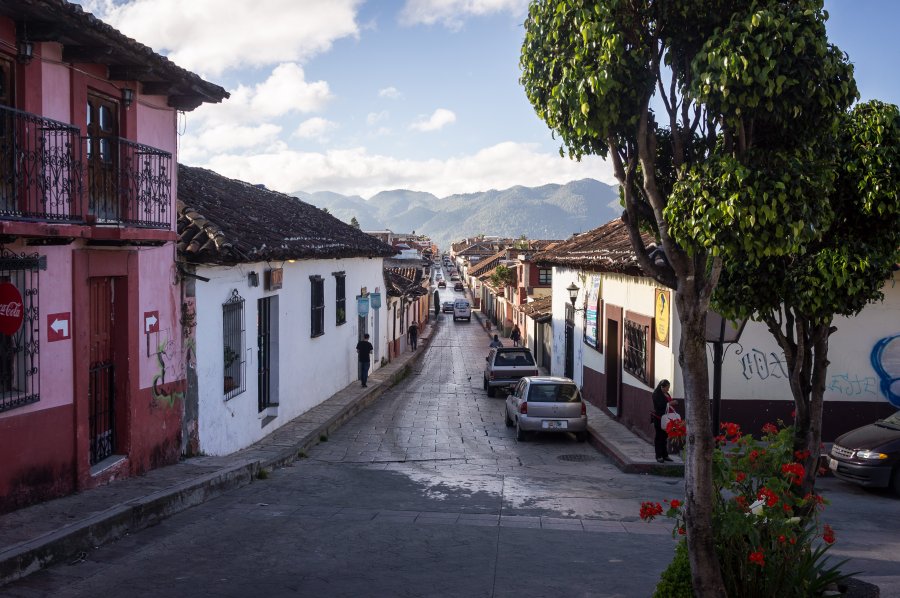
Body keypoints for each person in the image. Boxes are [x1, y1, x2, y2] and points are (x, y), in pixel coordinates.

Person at [651, 379, 675, 463]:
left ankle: (665, 455)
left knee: (665, 437)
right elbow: (659, 406)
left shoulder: (666, 394)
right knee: (659, 437)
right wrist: (670, 403)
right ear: (662, 387)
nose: (668, 390)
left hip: (667, 418)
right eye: (667, 388)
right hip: (659, 418)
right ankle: (658, 456)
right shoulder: (656, 395)